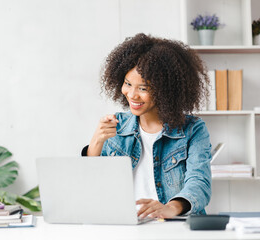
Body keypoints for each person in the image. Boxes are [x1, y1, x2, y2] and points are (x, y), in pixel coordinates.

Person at [82, 33, 212, 219]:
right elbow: (92, 186)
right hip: (126, 225)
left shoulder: (193, 130)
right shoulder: (116, 125)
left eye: (143, 88)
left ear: (165, 90)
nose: (132, 95)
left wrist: (171, 208)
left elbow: (200, 183)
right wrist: (95, 144)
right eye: (128, 84)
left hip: (175, 227)